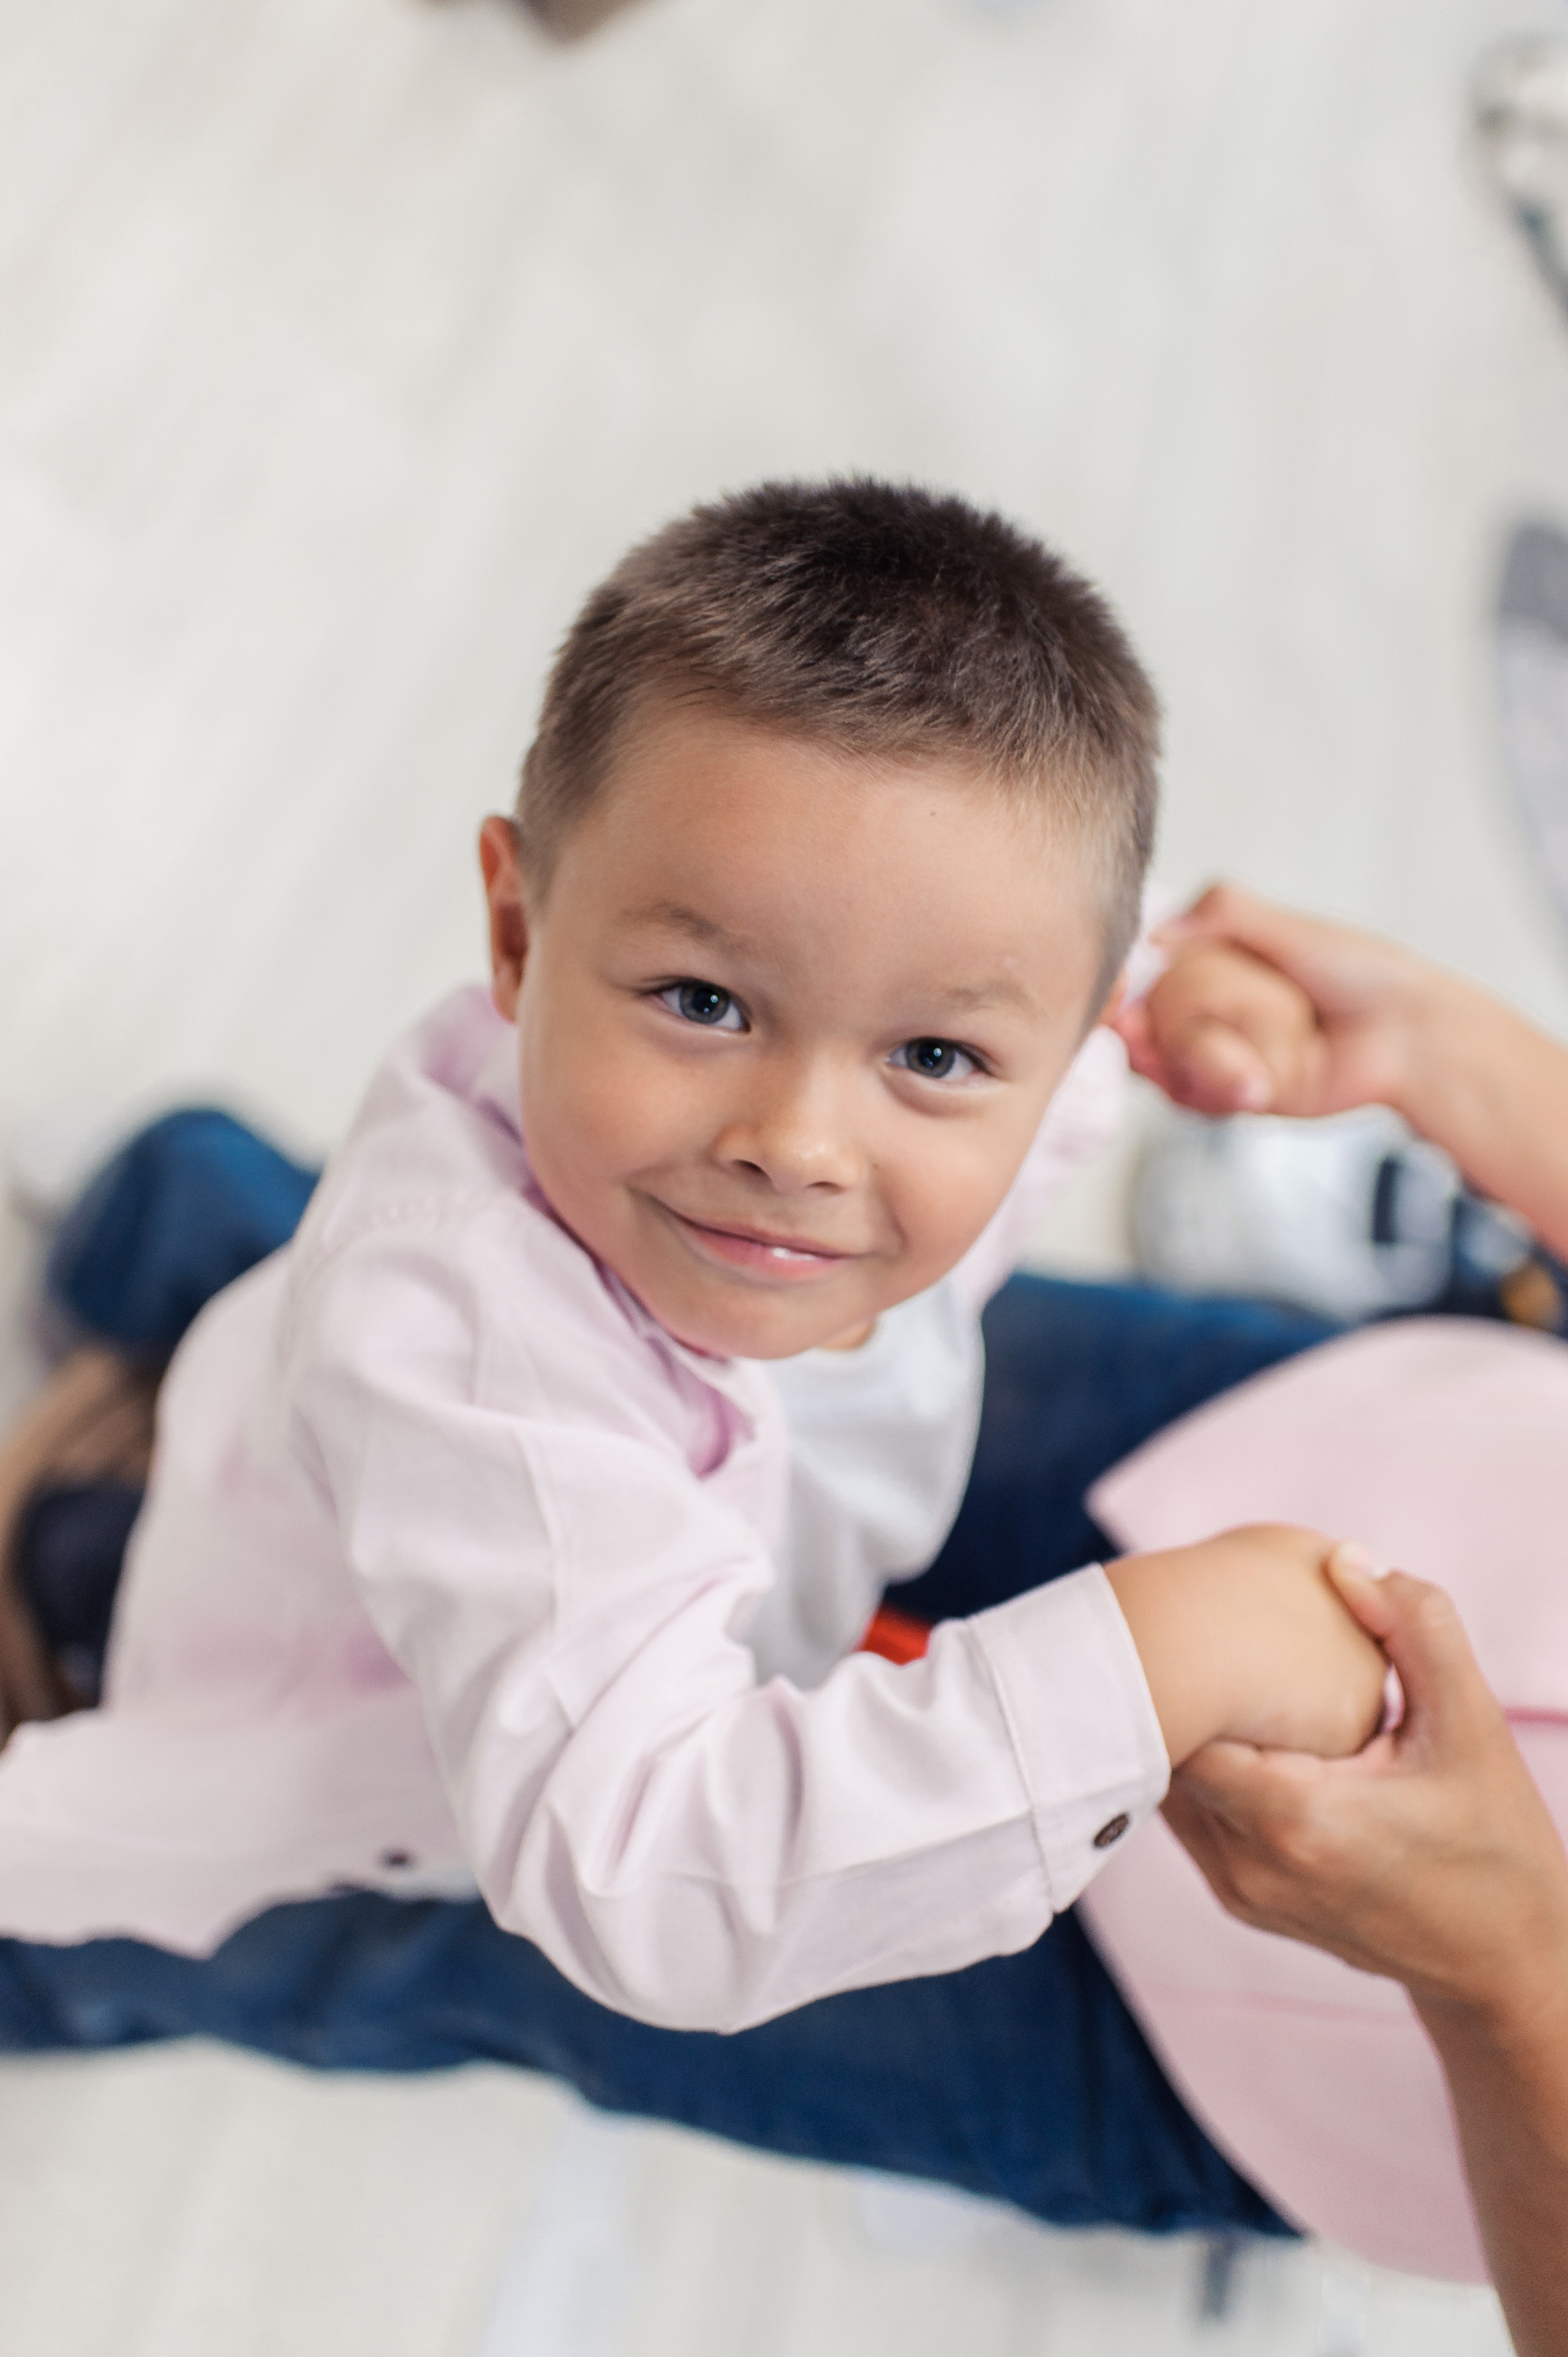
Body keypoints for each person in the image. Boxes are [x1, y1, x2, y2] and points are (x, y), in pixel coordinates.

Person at [0, 482, 1383, 2249]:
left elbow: (1026, 929)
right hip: (373, 1721)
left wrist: (1179, 988)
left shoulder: (987, 1014)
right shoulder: (483, 1355)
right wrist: (1145, 1660)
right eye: (705, 1002)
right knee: (224, 1919)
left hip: (454, 1494)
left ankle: (156, 1221)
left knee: (246, 1303)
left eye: (933, 1056)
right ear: (514, 932)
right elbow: (651, 1878)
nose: (799, 1142)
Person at [1103, 882, 1568, 2354]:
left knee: (531, 1952)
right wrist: (1437, 1055)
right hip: (1326, 1448)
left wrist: (1505, 1978)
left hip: (1256, 2069)